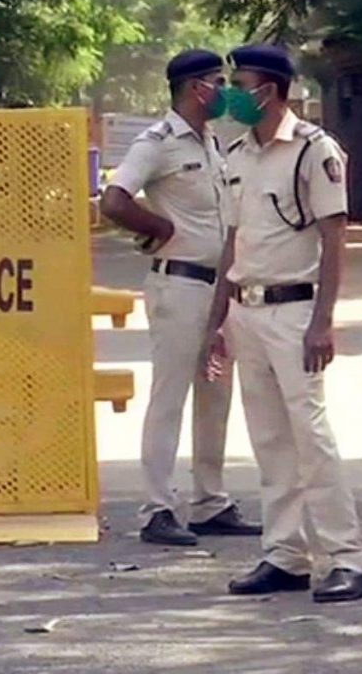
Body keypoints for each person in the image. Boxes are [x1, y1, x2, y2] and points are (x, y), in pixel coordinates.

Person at [203, 44, 362, 603]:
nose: (231, 95)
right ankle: (285, 554)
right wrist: (217, 320)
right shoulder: (238, 154)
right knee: (269, 439)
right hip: (247, 310)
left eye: (240, 85)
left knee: (311, 437)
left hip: (294, 310)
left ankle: (347, 557)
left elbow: (334, 238)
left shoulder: (312, 150)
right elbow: (233, 241)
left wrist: (323, 321)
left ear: (269, 90)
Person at [100, 49, 261, 546]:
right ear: (196, 88)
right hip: (180, 285)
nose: (226, 91)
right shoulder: (158, 142)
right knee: (169, 397)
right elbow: (114, 200)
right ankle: (157, 508)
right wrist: (159, 228)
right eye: (218, 82)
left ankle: (211, 502)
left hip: (219, 287)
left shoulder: (212, 142)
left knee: (216, 394)